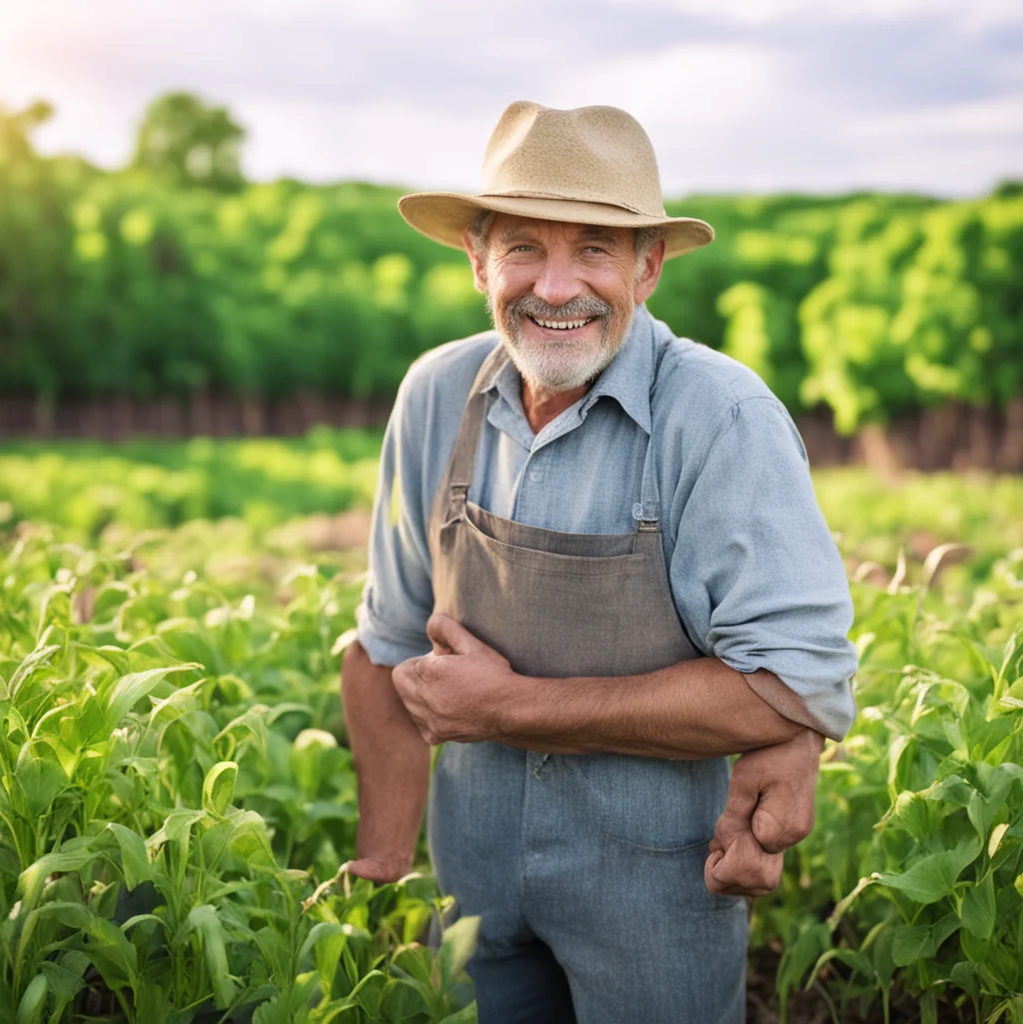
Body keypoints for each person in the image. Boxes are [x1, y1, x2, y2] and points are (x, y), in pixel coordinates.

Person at [341, 100, 858, 1024]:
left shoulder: (720, 417)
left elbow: (791, 684)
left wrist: (509, 708)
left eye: (594, 250)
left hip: (659, 897)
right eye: (523, 248)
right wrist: (383, 863)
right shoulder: (434, 396)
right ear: (477, 262)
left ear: (648, 268)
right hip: (471, 890)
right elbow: (383, 645)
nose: (555, 287)